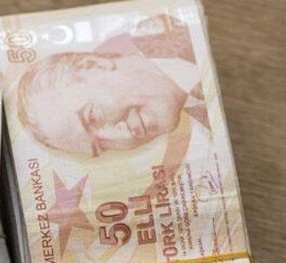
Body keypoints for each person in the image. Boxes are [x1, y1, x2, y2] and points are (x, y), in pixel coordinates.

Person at [15, 14, 208, 157]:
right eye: (102, 146)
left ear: (94, 65)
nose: (123, 137)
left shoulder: (185, 28)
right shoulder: (206, 114)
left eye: (93, 117)